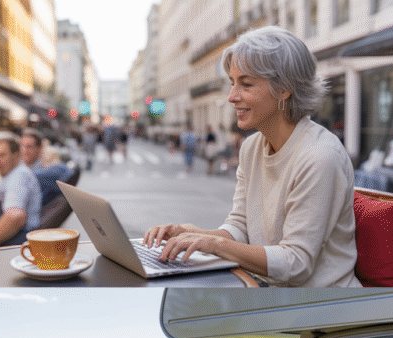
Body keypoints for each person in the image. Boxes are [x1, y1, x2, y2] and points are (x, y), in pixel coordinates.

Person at [144, 26, 361, 287]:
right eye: (233, 83)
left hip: (318, 308)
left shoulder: (320, 156)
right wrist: (192, 234)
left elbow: (296, 264)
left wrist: (213, 243)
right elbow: (240, 228)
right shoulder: (252, 147)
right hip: (266, 291)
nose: (232, 97)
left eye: (246, 84)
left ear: (284, 89)